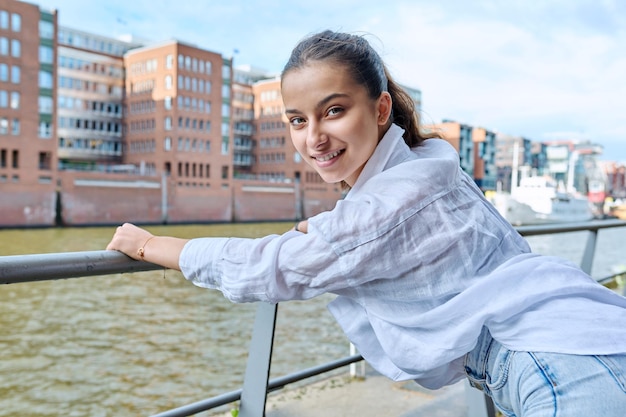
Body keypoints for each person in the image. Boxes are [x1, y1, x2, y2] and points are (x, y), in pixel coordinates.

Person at [107, 30, 626, 416]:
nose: (313, 137)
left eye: (333, 110)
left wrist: (152, 244)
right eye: (297, 119)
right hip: (585, 338)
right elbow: (380, 230)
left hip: (554, 366)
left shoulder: (383, 206)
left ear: (380, 109)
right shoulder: (429, 163)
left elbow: (274, 268)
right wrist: (331, 224)